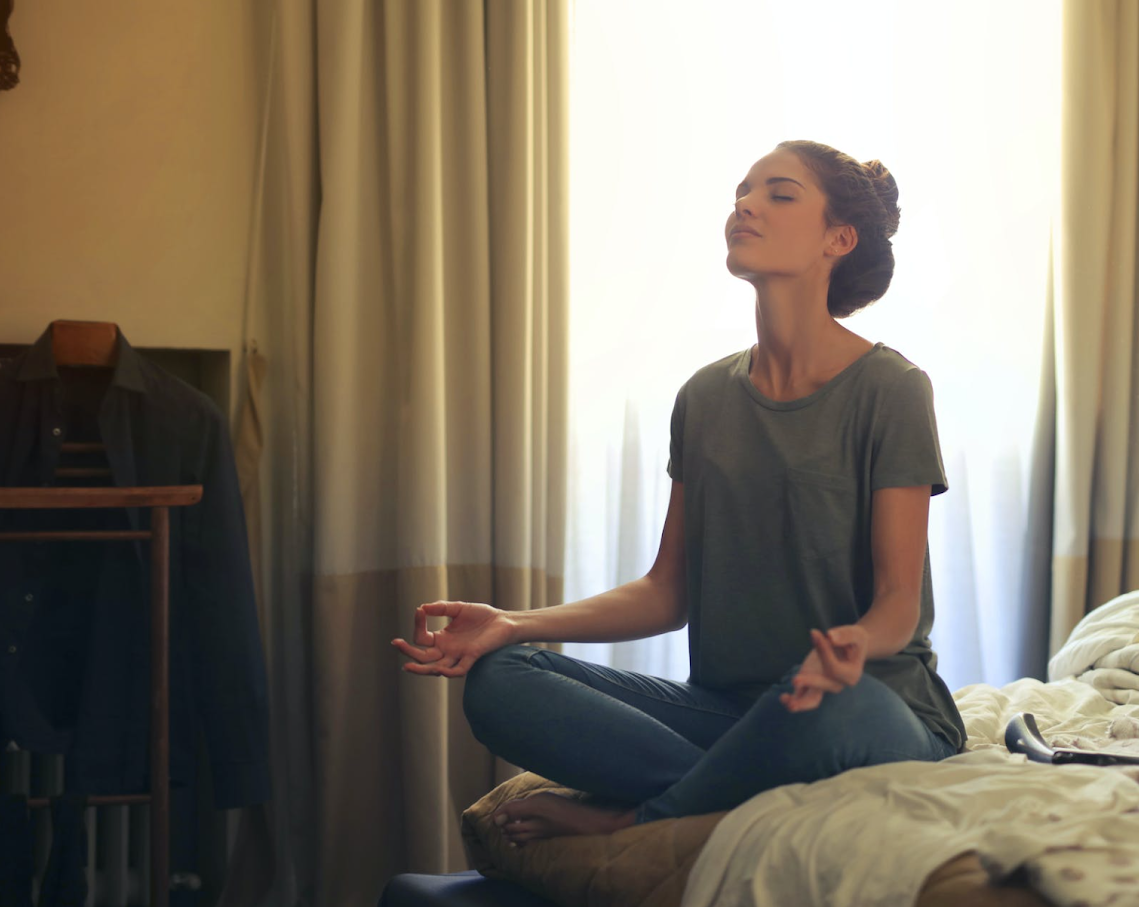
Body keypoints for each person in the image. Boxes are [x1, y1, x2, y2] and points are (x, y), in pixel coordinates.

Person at [391, 139, 963, 845]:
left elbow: (899, 603)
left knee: (825, 712)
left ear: (837, 240)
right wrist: (516, 622)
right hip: (726, 712)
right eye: (741, 193)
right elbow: (668, 592)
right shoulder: (703, 397)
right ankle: (727, 788)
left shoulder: (892, 390)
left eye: (778, 194)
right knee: (503, 679)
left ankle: (642, 818)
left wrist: (854, 641)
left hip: (863, 705)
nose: (745, 206)